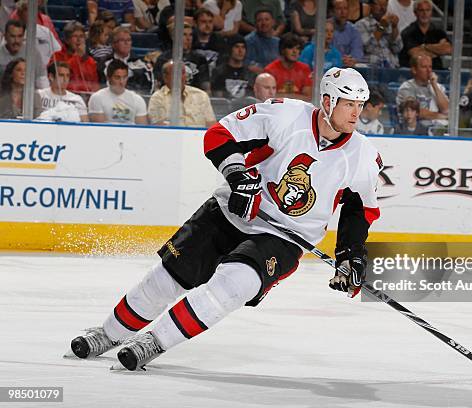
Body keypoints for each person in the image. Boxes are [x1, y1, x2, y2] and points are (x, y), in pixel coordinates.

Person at [68, 67, 381, 372]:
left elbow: (359, 211)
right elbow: (220, 135)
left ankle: (155, 340)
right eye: (349, 104)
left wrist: (350, 256)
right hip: (232, 210)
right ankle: (108, 333)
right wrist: (236, 174)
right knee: (164, 279)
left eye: (360, 105)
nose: (356, 113)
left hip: (285, 237)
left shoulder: (363, 156)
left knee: (235, 283)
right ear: (327, 102)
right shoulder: (285, 116)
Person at [148, 60, 216, 127]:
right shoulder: (157, 98)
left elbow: (211, 124)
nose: (180, 77)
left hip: (198, 136)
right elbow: (156, 127)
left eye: (183, 73)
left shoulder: (201, 95)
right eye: (175, 73)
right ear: (165, 77)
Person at [154, 21, 211, 93]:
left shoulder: (200, 59)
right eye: (184, 35)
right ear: (174, 37)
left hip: (193, 99)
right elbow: (157, 86)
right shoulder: (163, 59)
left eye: (190, 35)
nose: (188, 38)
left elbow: (206, 87)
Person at [396, 54, 448, 130]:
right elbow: (414, 112)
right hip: (414, 131)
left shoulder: (438, 87)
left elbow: (447, 110)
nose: (429, 70)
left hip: (438, 130)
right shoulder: (406, 88)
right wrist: (441, 116)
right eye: (424, 67)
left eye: (430, 67)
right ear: (414, 70)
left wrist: (435, 86)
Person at [98, 26, 155, 95]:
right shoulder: (104, 63)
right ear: (113, 44)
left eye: (128, 40)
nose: (126, 43)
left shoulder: (142, 63)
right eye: (122, 40)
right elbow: (102, 86)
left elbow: (149, 87)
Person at [88, 59, 148, 124]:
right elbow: (98, 129)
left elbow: (141, 129)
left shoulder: (137, 99)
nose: (121, 82)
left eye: (124, 77)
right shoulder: (97, 98)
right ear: (108, 78)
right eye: (117, 78)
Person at [51, 22, 100, 96]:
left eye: (81, 36)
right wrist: (76, 57)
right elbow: (60, 78)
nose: (79, 40)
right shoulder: (57, 56)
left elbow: (94, 84)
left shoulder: (90, 60)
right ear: (67, 39)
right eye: (75, 36)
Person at [399, 0, 450, 70]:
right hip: (413, 72)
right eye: (421, 10)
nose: (425, 13)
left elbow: (447, 49)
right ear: (415, 13)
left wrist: (424, 47)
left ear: (431, 12)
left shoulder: (438, 31)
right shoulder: (407, 32)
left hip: (436, 71)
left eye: (427, 10)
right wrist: (437, 51)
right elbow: (415, 54)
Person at [0, 19, 47, 89]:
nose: (16, 41)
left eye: (20, 36)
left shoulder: (33, 52)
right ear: (5, 37)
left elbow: (42, 80)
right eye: (12, 36)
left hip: (29, 95)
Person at [264, 33, 312, 100]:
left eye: (297, 48)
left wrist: (283, 96)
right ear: (282, 50)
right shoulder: (270, 70)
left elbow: (308, 97)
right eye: (290, 47)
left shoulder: (305, 69)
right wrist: (295, 97)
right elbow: (268, 97)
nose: (294, 51)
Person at [355, 0, 402, 68]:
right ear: (371, 6)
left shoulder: (390, 24)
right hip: (372, 69)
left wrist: (395, 27)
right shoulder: (361, 25)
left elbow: (397, 48)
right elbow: (368, 48)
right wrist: (382, 27)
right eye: (379, 5)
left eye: (385, 5)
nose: (382, 8)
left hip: (392, 67)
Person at [244, 9, 280, 74]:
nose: (263, 23)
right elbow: (249, 65)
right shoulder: (249, 41)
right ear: (255, 23)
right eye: (259, 20)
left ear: (273, 22)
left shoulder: (278, 42)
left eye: (267, 19)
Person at [332, 0, 364, 67]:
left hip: (349, 67)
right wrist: (339, 60)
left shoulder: (353, 30)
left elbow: (357, 51)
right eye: (339, 9)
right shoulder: (325, 28)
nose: (342, 12)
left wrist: (351, 59)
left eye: (345, 8)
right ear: (332, 11)